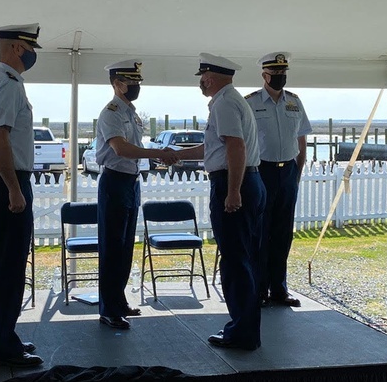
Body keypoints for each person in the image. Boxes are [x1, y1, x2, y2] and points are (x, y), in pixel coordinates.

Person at [174, 53, 266, 350]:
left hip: (233, 181)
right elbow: (214, 147)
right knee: (245, 259)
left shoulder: (225, 103)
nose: (201, 83)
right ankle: (245, 328)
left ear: (210, 78)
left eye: (202, 78)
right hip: (248, 180)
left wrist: (233, 191)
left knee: (236, 261)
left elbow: (235, 147)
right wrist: (173, 154)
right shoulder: (233, 100)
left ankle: (241, 332)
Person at [0, 23, 43, 367]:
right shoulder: (8, 84)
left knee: (5, 269)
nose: (33, 56)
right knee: (8, 270)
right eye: (30, 49)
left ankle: (3, 339)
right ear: (18, 48)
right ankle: (1, 346)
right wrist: (15, 189)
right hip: (6, 183)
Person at [95, 60, 177, 330]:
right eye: (131, 82)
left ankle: (118, 301)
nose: (136, 87)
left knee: (126, 246)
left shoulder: (131, 112)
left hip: (131, 181)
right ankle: (108, 309)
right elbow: (122, 149)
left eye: (138, 82)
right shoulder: (112, 113)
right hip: (114, 181)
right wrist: (159, 154)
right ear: (117, 84)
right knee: (112, 247)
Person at [245, 52, 312, 308]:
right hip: (262, 171)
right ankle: (259, 288)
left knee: (283, 233)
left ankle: (279, 289)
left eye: (283, 74)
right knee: (260, 232)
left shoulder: (294, 102)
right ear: (264, 76)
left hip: (288, 172)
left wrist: (298, 171)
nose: (280, 78)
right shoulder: (250, 103)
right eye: (275, 75)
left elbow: (302, 139)